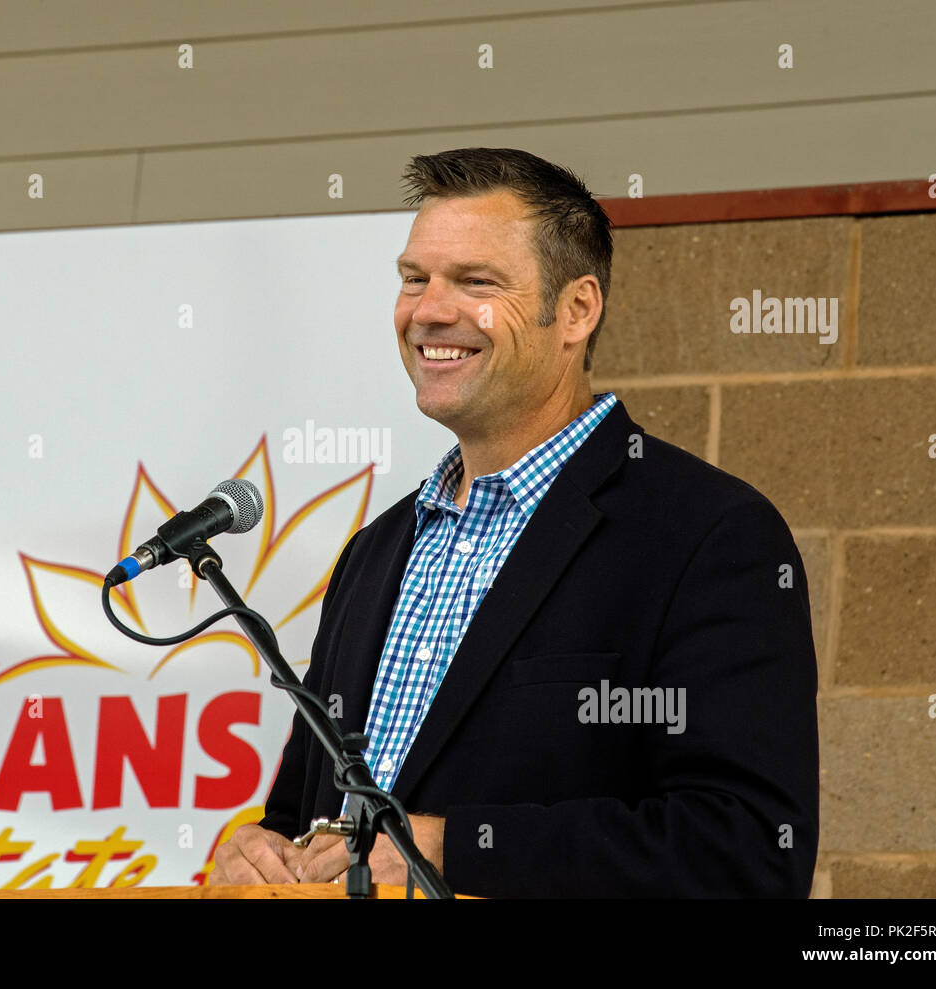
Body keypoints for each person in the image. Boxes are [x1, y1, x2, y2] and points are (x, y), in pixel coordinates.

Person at [208, 147, 819, 897]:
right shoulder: (375, 552)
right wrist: (258, 846)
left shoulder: (710, 536)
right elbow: (307, 812)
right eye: (413, 279)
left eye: (475, 282)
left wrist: (452, 846)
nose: (428, 310)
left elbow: (747, 849)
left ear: (577, 309)